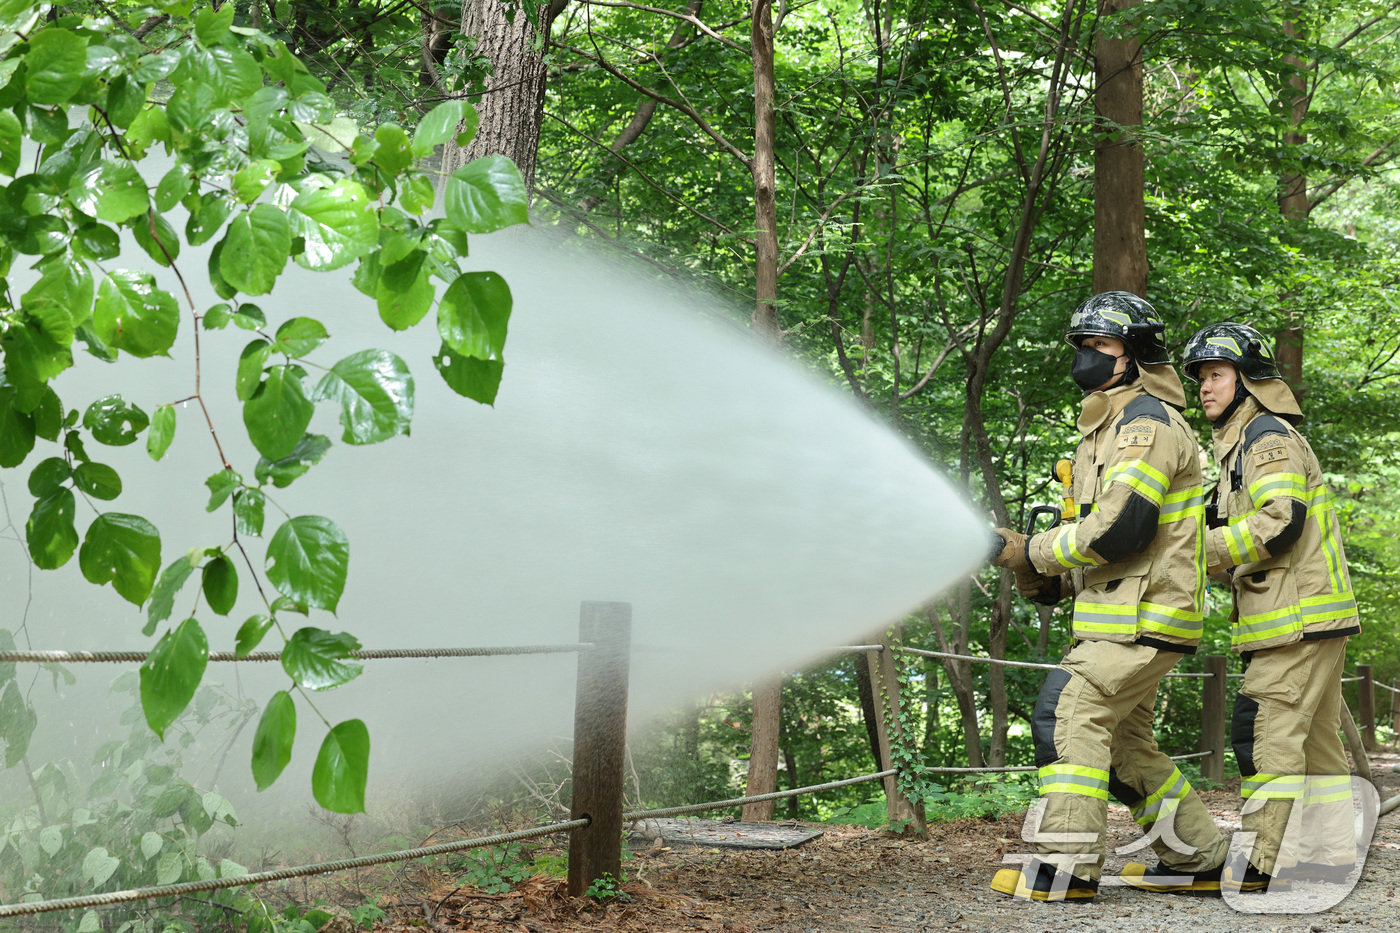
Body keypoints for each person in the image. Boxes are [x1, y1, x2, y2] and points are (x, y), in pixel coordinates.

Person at [988, 291, 1228, 902]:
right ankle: (1198, 857)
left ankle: (1067, 866)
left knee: (1066, 711)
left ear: (1136, 353)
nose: (1087, 356)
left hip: (1144, 615)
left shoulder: (1145, 423)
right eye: (1083, 345)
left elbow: (1124, 529)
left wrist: (1035, 548)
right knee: (1126, 747)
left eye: (1101, 345)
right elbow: (1099, 543)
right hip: (1122, 613)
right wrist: (1035, 569)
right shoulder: (1106, 428)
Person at [1161, 321, 1360, 893]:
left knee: (1264, 730)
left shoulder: (1265, 438)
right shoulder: (1240, 446)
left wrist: (1197, 552)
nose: (1204, 386)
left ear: (1249, 381)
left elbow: (1280, 521)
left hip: (1296, 621)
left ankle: (1259, 863)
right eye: (1199, 377)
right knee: (1317, 740)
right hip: (1309, 616)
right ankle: (1327, 856)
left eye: (1217, 374)